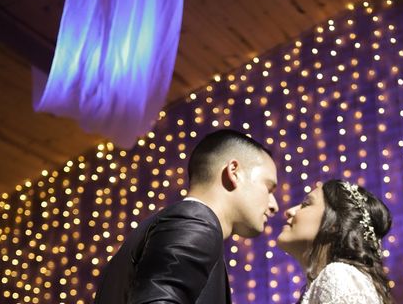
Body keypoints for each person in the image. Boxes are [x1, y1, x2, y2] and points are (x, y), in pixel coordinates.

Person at [94, 129, 279, 304]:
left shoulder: (165, 225)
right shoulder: (195, 222)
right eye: (269, 187)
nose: (274, 206)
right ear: (234, 172)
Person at [278, 179, 394, 304]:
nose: (289, 211)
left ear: (335, 225)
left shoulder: (338, 276)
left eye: (306, 204)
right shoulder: (332, 279)